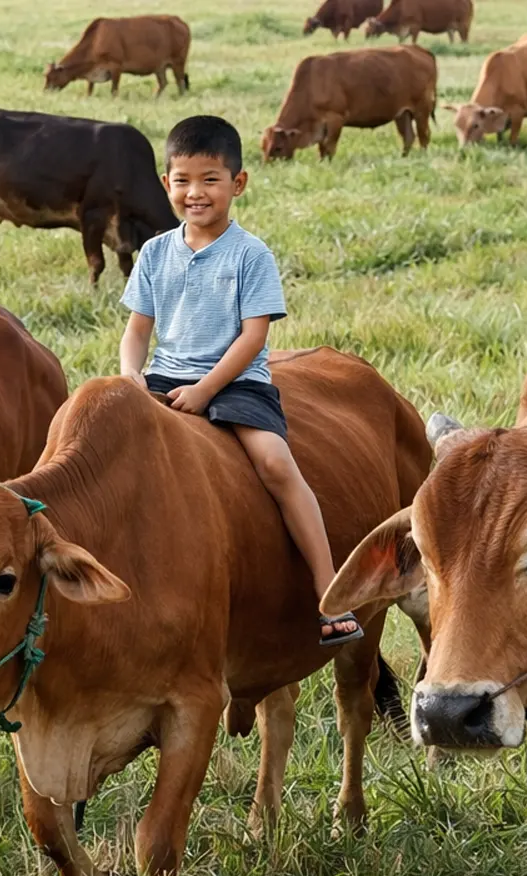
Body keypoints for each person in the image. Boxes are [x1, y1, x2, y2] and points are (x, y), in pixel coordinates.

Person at [118, 115, 362, 645]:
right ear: (165, 184)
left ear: (238, 183)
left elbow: (253, 337)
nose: (195, 193)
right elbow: (137, 330)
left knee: (275, 464)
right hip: (164, 377)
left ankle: (329, 589)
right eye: (182, 181)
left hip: (236, 383)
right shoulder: (155, 252)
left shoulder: (251, 254)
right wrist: (130, 374)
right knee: (106, 453)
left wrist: (206, 390)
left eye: (210, 179)